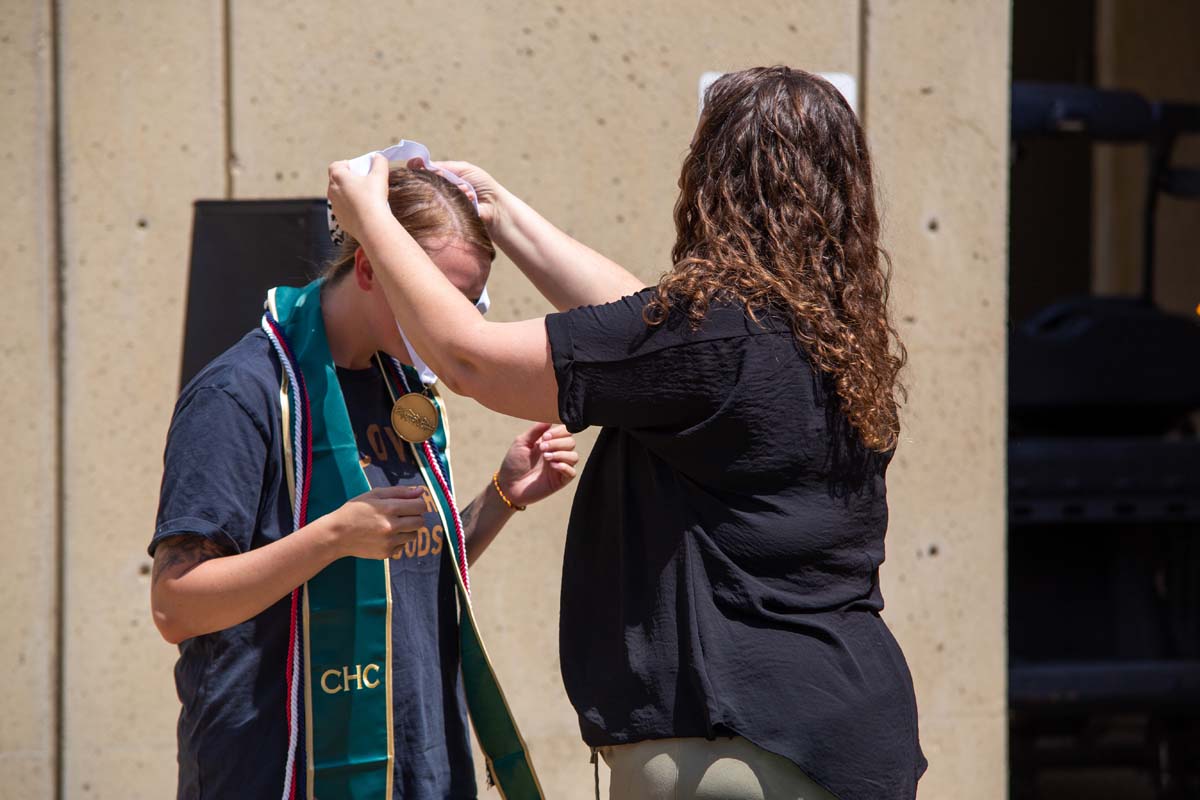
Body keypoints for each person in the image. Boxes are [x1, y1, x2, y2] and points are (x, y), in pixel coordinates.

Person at [327, 67, 926, 800]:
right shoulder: (827, 339)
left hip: (736, 741)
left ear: (711, 180)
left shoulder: (714, 337)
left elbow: (467, 358)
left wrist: (373, 222)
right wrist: (501, 212)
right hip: (851, 730)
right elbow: (642, 322)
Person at [150, 166, 578, 799]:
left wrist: (504, 496)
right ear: (374, 270)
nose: (455, 323)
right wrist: (331, 537)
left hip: (417, 761)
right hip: (280, 768)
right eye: (441, 297)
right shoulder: (240, 394)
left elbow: (406, 565)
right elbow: (176, 604)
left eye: (472, 305)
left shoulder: (401, 387)